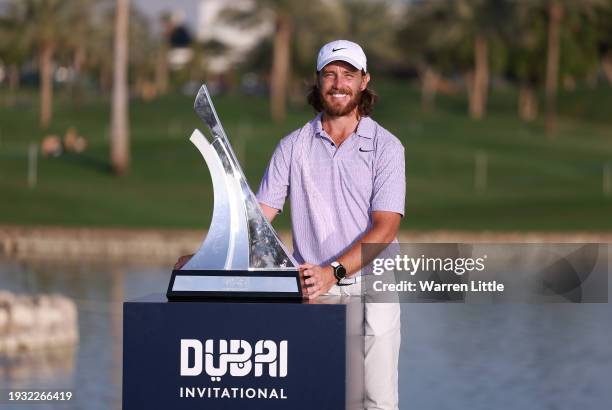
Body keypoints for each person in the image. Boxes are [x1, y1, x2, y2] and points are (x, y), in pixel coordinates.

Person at [175, 39, 404, 410]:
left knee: (377, 402)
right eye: (330, 74)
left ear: (364, 82)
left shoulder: (387, 148)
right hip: (314, 288)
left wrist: (334, 271)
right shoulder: (292, 147)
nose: (339, 83)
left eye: (348, 74)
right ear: (317, 82)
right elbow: (257, 221)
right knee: (322, 397)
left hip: (371, 286)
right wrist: (207, 257)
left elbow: (385, 229)